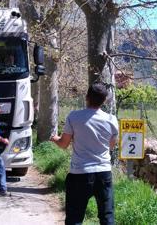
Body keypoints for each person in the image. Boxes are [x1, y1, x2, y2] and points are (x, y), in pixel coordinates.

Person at [50, 83, 119, 225]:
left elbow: (64, 144)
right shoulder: (112, 120)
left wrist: (55, 138)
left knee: (75, 218)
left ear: (86, 97)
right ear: (104, 100)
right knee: (107, 217)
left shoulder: (74, 117)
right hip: (103, 173)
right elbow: (111, 146)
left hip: (79, 173)